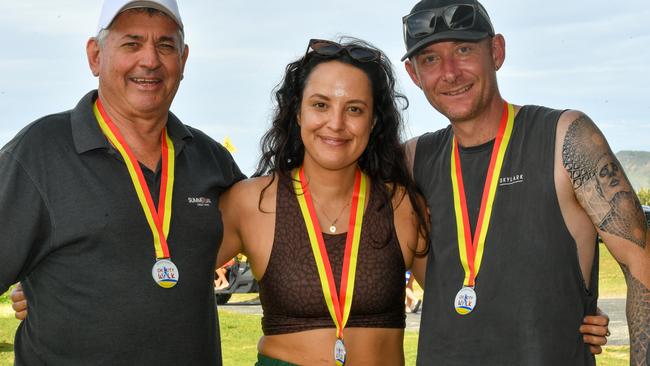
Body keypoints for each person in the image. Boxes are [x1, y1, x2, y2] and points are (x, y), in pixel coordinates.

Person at [9, 33, 611, 364]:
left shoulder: (402, 202)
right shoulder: (248, 201)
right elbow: (152, 260)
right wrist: (42, 285)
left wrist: (573, 319)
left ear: (374, 122)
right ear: (295, 114)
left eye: (355, 109)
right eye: (320, 105)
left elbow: (472, 289)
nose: (336, 124)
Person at [400, 0, 650, 365]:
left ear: (497, 51)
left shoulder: (565, 137)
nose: (450, 72)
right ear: (413, 74)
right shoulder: (411, 161)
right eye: (430, 59)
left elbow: (640, 265)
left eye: (464, 49)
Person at [0, 0, 244, 364]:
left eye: (165, 45)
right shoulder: (39, 152)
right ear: (95, 56)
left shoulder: (212, 161)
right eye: (131, 43)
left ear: (184, 60)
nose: (150, 60)